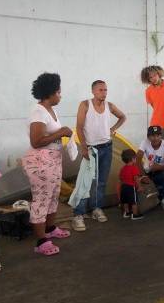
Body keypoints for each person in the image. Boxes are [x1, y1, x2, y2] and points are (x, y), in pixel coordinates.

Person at [22, 73, 72, 256]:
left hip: (53, 160)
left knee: (53, 196)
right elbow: (36, 141)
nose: (60, 95)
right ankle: (41, 240)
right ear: (50, 92)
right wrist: (61, 133)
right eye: (59, 91)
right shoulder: (38, 112)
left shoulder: (52, 111)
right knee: (42, 199)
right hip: (40, 162)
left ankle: (50, 229)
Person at [72, 80, 126, 232]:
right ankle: (78, 214)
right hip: (91, 149)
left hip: (107, 147)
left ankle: (96, 209)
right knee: (86, 182)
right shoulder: (85, 105)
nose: (104, 92)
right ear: (93, 91)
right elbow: (79, 127)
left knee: (101, 181)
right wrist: (83, 146)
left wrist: (113, 129)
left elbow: (123, 117)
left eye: (106, 90)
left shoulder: (110, 106)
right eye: (101, 90)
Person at [137, 126, 164, 210]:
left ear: (161, 136)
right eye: (153, 136)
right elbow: (138, 158)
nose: (156, 138)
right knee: (134, 172)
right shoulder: (145, 142)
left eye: (158, 135)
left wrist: (158, 167)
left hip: (161, 171)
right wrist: (143, 176)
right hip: (148, 171)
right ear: (148, 137)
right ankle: (148, 198)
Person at [119, 149, 145, 220]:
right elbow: (136, 178)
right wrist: (139, 186)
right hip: (131, 187)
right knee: (134, 201)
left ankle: (127, 213)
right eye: (135, 158)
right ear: (133, 159)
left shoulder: (122, 168)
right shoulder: (134, 168)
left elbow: (121, 178)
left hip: (123, 187)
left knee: (125, 201)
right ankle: (135, 214)